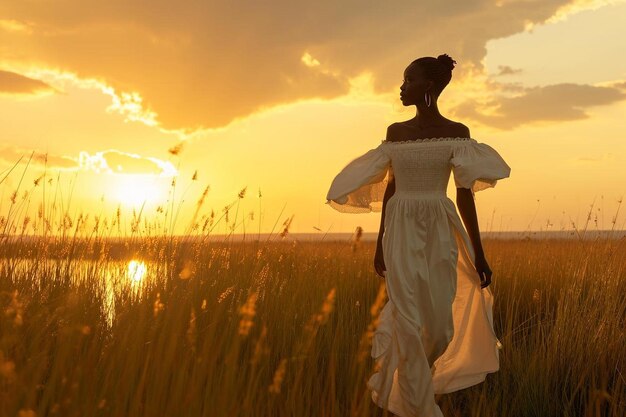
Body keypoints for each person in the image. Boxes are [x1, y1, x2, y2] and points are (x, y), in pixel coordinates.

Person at [325, 54, 511, 417]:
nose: (401, 87)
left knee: (440, 326)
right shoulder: (396, 133)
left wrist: (479, 253)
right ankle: (418, 406)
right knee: (408, 318)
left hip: (441, 226)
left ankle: (412, 387)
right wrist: (379, 243)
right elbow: (392, 190)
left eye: (408, 80)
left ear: (428, 86)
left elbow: (464, 195)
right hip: (401, 228)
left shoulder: (458, 133)